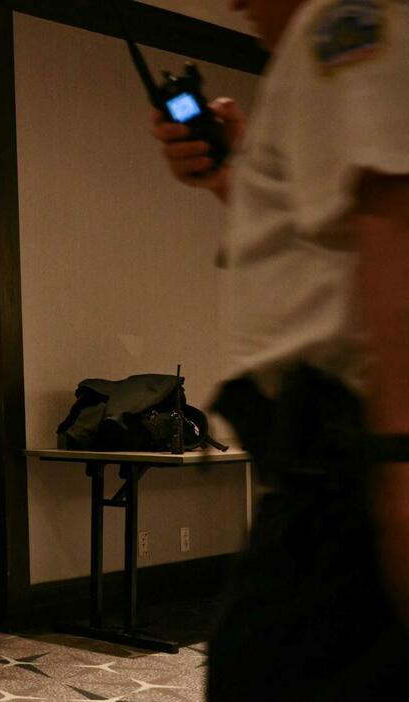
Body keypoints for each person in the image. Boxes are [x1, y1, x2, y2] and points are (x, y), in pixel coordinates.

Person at [150, 1, 409, 698]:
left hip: (347, 469)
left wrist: (400, 467)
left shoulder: (344, 20)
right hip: (329, 469)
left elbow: (396, 232)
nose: (235, 2)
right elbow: (324, 253)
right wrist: (233, 179)